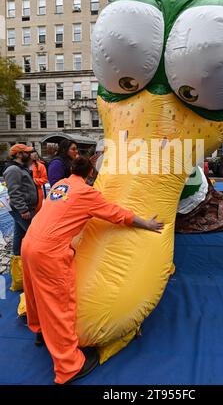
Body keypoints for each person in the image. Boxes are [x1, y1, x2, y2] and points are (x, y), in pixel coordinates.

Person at [21, 156, 164, 385]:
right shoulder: (87, 193)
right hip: (50, 253)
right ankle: (68, 366)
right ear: (91, 174)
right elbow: (116, 213)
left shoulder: (60, 185)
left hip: (29, 244)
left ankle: (40, 332)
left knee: (34, 294)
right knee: (60, 305)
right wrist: (146, 224)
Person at [3, 144, 38, 290]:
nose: (31, 155)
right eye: (28, 153)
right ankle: (32, 272)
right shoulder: (13, 170)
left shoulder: (21, 168)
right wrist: (23, 210)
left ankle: (19, 277)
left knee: (18, 240)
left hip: (25, 209)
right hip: (23, 210)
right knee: (36, 236)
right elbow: (14, 192)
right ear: (19, 154)